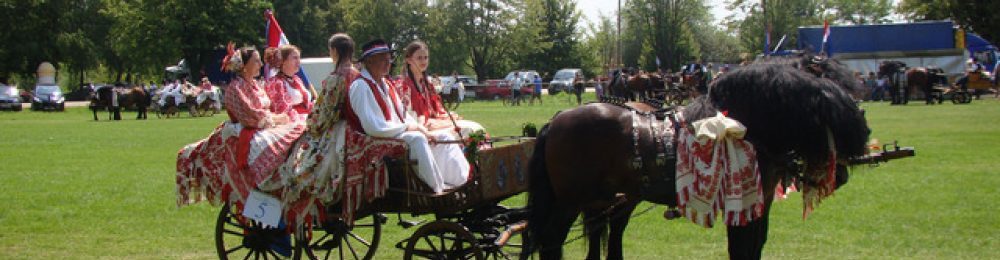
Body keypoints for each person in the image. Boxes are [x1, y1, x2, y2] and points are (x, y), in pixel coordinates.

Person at [177, 43, 310, 209]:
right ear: (244, 66)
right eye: (256, 61)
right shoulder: (236, 88)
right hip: (246, 130)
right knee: (277, 145)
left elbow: (266, 110)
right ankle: (268, 183)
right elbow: (251, 115)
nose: (261, 65)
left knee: (296, 134)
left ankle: (288, 180)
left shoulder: (255, 85)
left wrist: (279, 118)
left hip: (263, 125)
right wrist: (277, 118)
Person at [345, 39, 469, 193]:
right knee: (416, 139)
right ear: (369, 61)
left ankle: (461, 182)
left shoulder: (386, 84)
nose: (387, 63)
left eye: (388, 58)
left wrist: (423, 130)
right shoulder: (360, 86)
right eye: (382, 59)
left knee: (442, 136)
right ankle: (436, 188)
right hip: (375, 140)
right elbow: (373, 127)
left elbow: (403, 114)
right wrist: (410, 127)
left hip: (395, 133)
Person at [264, 45, 313, 123]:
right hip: (292, 122)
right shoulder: (276, 83)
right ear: (283, 61)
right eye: (295, 58)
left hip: (305, 117)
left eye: (299, 58)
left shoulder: (296, 79)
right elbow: (282, 110)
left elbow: (307, 104)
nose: (299, 61)